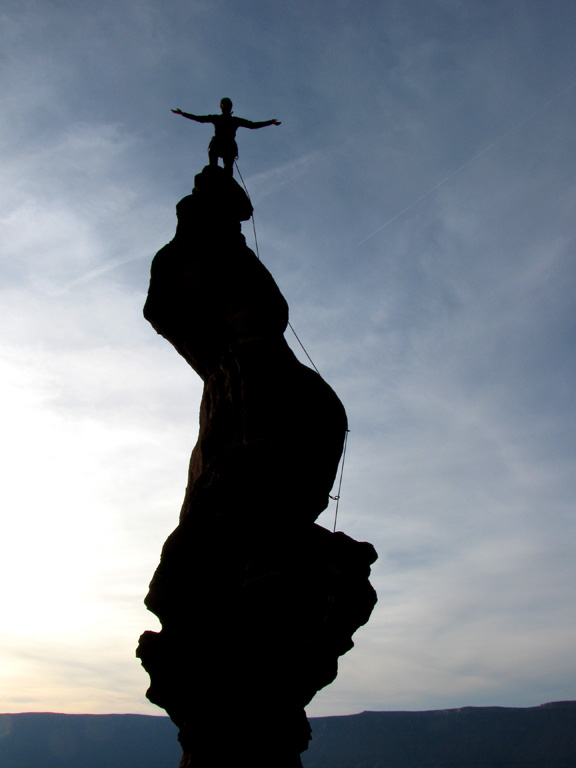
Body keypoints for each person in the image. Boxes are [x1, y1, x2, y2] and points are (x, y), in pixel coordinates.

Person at [172, 97, 281, 176]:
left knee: (223, 168)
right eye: (225, 105)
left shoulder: (223, 119)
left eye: (225, 105)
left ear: (222, 107)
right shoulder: (230, 120)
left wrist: (270, 122)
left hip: (225, 146)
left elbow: (252, 125)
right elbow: (253, 125)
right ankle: (217, 174)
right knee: (223, 168)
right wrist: (183, 114)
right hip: (226, 146)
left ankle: (217, 175)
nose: (225, 107)